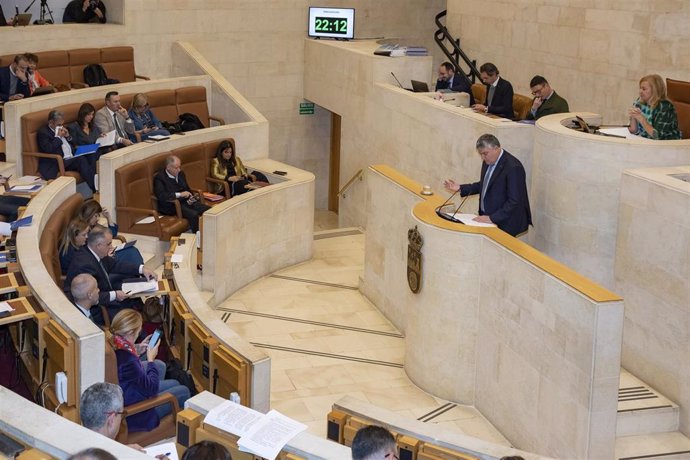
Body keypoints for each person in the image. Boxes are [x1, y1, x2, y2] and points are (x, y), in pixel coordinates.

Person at [109, 309, 190, 432]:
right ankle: (182, 433)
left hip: (129, 393)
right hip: (137, 413)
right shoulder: (129, 360)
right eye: (139, 329)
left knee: (171, 379)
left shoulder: (114, 343)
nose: (140, 331)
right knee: (183, 390)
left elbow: (128, 363)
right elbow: (151, 388)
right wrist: (150, 359)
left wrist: (136, 349)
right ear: (131, 332)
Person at [443, 134, 531, 237]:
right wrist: (461, 188)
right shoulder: (488, 161)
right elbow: (485, 184)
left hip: (505, 223)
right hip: (488, 218)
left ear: (496, 148)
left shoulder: (513, 167)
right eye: (481, 154)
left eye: (485, 154)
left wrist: (491, 218)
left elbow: (514, 201)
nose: (483, 158)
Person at [63, 225, 157, 320]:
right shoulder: (84, 265)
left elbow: (115, 264)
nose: (111, 247)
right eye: (108, 244)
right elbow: (89, 297)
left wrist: (142, 269)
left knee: (135, 298)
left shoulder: (94, 252)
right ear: (98, 246)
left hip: (104, 292)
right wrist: (115, 295)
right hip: (99, 309)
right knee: (131, 315)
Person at [36, 110, 98, 192]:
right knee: (80, 160)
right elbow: (48, 149)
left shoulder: (62, 128)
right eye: (59, 125)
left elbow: (74, 143)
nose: (61, 127)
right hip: (58, 161)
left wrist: (68, 136)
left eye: (62, 124)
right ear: (51, 122)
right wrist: (58, 137)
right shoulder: (43, 132)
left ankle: (96, 185)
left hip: (71, 156)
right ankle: (95, 189)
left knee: (92, 155)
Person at [79, 199, 144, 267]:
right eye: (96, 216)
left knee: (132, 250)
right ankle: (141, 273)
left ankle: (141, 272)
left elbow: (112, 234)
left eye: (98, 215)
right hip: (101, 259)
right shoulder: (83, 231)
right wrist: (107, 254)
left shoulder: (93, 225)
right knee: (131, 254)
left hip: (106, 253)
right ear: (89, 214)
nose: (98, 218)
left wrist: (108, 217)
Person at [154, 155, 210, 233]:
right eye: (176, 168)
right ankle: (197, 239)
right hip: (173, 205)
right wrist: (180, 194)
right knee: (193, 215)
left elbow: (186, 188)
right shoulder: (159, 178)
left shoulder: (181, 173)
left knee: (209, 210)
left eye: (179, 167)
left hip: (186, 201)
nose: (179, 170)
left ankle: (209, 233)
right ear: (168, 167)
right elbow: (162, 195)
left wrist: (191, 196)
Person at [628, 74, 681, 140]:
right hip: (646, 140)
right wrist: (633, 116)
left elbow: (658, 136)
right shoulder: (640, 102)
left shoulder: (665, 106)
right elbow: (634, 130)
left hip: (667, 144)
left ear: (655, 90)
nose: (640, 92)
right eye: (640, 88)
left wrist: (642, 119)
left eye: (644, 89)